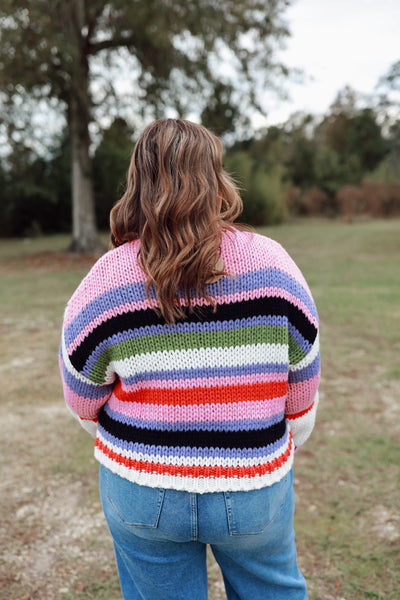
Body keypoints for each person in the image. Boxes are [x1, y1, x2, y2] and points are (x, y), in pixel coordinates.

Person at [59, 118, 320, 600]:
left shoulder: (106, 279)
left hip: (142, 486)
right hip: (253, 485)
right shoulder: (274, 263)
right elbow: (302, 381)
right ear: (215, 178)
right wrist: (276, 447)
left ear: (137, 182)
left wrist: (128, 442)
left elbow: (80, 394)